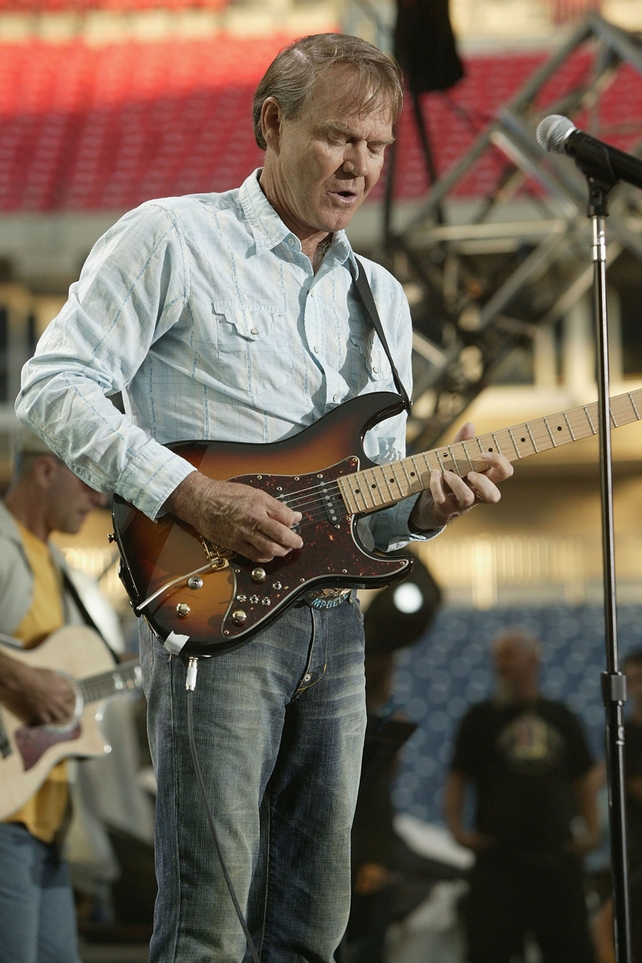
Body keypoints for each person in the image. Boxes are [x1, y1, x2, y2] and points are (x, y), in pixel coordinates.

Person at [15, 34, 513, 963]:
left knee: (315, 929)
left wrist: (428, 507)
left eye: (375, 145)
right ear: (270, 123)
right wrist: (193, 495)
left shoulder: (382, 298)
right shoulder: (171, 237)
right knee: (207, 927)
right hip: (215, 612)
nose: (359, 165)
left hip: (337, 626)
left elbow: (378, 492)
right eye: (337, 139)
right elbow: (53, 384)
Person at [0, 428, 107, 963]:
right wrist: (17, 678)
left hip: (48, 824)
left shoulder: (60, 569)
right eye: (88, 482)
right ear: (45, 470)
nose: (100, 498)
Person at [444, 626, 601, 963]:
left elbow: (583, 778)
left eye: (508, 655)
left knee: (572, 953)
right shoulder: (479, 719)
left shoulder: (561, 717)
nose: (500, 664)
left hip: (557, 860)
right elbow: (457, 778)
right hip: (498, 865)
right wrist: (457, 831)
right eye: (497, 657)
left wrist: (592, 830)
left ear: (533, 660)